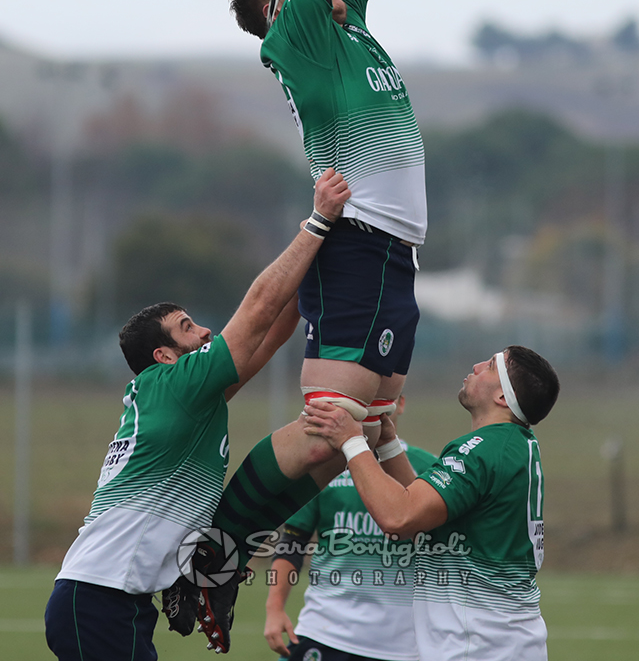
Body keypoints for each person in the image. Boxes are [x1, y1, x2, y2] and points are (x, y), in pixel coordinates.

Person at [228, 0, 428, 511]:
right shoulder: (300, 39)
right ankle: (221, 541)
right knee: (329, 430)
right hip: (357, 244)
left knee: (367, 428)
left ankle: (236, 546)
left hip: (391, 252)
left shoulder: (342, 20)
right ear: (282, 12)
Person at [44, 168, 350, 661]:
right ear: (164, 356)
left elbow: (265, 339)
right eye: (187, 328)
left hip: (116, 601)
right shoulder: (172, 385)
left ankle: (217, 567)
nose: (205, 331)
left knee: (323, 447)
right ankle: (218, 566)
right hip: (97, 599)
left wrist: (313, 273)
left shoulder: (183, 399)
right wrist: (316, 224)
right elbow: (254, 315)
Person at [304, 346, 560, 661]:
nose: (477, 364)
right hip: (500, 643)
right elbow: (425, 512)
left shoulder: (483, 450)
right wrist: (387, 444)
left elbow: (399, 517)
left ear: (503, 398)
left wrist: (351, 440)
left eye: (491, 366)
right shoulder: (511, 446)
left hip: (478, 648)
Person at [264, 396, 436, 661]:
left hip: (401, 645)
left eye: (383, 397)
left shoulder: (429, 469)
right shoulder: (324, 467)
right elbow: (293, 541)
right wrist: (274, 609)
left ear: (400, 403)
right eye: (366, 398)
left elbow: (442, 549)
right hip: (324, 631)